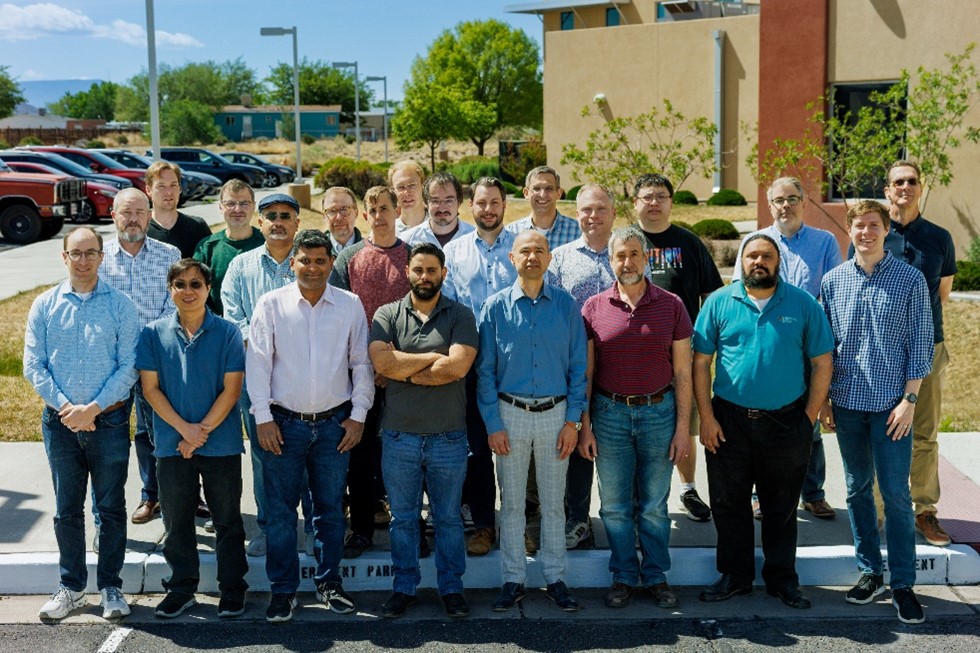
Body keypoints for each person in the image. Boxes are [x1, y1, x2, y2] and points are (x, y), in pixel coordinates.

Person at [692, 234, 832, 610]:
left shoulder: (802, 304)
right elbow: (701, 362)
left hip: (787, 422)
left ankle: (782, 579)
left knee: (781, 507)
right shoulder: (721, 302)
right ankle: (735, 577)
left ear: (778, 262)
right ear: (741, 261)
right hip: (728, 421)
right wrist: (706, 417)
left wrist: (809, 416)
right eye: (752, 255)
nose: (759, 262)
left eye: (766, 256)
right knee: (728, 503)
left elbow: (822, 362)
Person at [246, 229, 374, 623]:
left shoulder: (350, 305)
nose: (313, 267)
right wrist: (263, 419)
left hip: (335, 425)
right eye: (306, 260)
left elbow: (361, 364)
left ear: (331, 263)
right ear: (292, 264)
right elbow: (258, 364)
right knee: (282, 514)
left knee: (330, 511)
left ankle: (329, 582)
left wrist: (359, 415)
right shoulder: (271, 304)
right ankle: (283, 591)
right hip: (283, 425)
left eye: (321, 260)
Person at [820, 200, 933, 625]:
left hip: (892, 409)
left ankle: (903, 584)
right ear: (848, 231)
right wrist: (826, 400)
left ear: (887, 231)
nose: (866, 232)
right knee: (855, 491)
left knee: (898, 496)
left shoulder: (910, 280)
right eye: (859, 226)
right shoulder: (833, 282)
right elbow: (825, 349)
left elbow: (921, 344)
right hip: (847, 406)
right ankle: (871, 573)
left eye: (873, 225)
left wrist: (910, 400)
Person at [25, 227, 139, 621]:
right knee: (66, 509)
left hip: (108, 422)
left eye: (92, 252)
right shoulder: (44, 304)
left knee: (109, 508)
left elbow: (129, 367)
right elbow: (33, 365)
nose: (84, 260)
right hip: (59, 425)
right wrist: (68, 409)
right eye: (77, 253)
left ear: (101, 257)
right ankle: (71, 587)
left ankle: (111, 586)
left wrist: (92, 408)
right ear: (64, 257)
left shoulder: (121, 306)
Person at [579, 226, 693, 610]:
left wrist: (682, 429)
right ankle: (624, 574)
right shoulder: (594, 307)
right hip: (609, 415)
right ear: (610, 261)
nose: (626, 262)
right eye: (619, 256)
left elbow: (683, 373)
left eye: (633, 254)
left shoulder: (672, 305)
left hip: (658, 414)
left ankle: (657, 573)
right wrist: (585, 426)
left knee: (654, 504)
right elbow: (587, 374)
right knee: (613, 504)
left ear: (647, 258)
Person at [477, 231, 588, 613]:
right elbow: (485, 371)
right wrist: (493, 423)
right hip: (510, 414)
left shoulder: (566, 306)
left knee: (555, 504)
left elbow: (578, 367)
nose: (532, 256)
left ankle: (555, 578)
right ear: (512, 258)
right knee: (511, 504)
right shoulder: (494, 308)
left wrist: (572, 421)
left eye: (540, 250)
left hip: (556, 416)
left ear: (549, 258)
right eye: (525, 250)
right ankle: (513, 579)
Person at [370, 243, 479, 619]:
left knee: (448, 518)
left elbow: (458, 368)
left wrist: (404, 368)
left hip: (448, 436)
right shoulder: (387, 314)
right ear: (407, 272)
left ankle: (452, 588)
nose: (424, 277)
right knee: (403, 519)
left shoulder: (460, 314)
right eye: (418, 270)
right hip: (399, 436)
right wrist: (435, 357)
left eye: (432, 270)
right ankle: (404, 587)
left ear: (443, 273)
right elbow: (382, 362)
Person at [137, 259, 249, 619]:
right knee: (177, 520)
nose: (188, 291)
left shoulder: (228, 333)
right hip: (172, 444)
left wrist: (198, 433)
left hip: (222, 444)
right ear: (170, 290)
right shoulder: (152, 334)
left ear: (208, 289)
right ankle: (182, 587)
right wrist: (184, 431)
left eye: (196, 284)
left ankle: (233, 589)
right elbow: (150, 389)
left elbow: (231, 391)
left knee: (228, 519)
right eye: (180, 284)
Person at [733, 176, 843, 520]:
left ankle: (813, 493)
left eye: (792, 199)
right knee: (760, 421)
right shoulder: (755, 241)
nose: (786, 206)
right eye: (779, 200)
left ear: (804, 201)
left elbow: (834, 292)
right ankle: (758, 494)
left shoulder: (824, 242)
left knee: (807, 421)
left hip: (807, 343)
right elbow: (741, 289)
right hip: (765, 343)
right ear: (770, 205)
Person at [221, 192, 313, 558]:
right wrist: (265, 351)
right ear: (260, 223)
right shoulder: (241, 267)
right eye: (271, 215)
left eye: (286, 215)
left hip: (305, 377)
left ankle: (311, 528)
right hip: (255, 378)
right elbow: (233, 318)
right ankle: (268, 527)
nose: (278, 221)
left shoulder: (311, 263)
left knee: (306, 453)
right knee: (263, 453)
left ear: (296, 223)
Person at [329, 186, 413, 559]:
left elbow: (421, 314)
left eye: (385, 208)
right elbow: (338, 316)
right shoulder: (349, 258)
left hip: (405, 374)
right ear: (364, 215)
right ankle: (361, 527)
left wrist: (394, 363)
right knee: (360, 455)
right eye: (373, 209)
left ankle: (409, 527)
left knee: (405, 454)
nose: (379, 215)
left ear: (397, 211)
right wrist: (370, 364)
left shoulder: (412, 256)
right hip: (359, 373)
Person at [633, 173, 722, 523]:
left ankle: (687, 488)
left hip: (683, 353)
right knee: (637, 425)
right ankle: (640, 495)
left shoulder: (689, 242)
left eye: (661, 196)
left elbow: (710, 296)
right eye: (647, 197)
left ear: (671, 201)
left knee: (685, 422)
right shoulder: (624, 242)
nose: (654, 203)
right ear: (635, 203)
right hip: (635, 356)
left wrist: (704, 342)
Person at [883, 160, 957, 547]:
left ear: (920, 187)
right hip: (884, 351)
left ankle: (925, 511)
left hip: (930, 347)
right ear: (887, 190)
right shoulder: (875, 233)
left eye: (912, 181)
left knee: (925, 433)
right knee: (881, 429)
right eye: (899, 181)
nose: (906, 187)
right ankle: (878, 514)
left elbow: (941, 294)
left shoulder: (939, 237)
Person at [442, 177, 517, 557]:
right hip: (471, 366)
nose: (488, 210)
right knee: (479, 448)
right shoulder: (454, 252)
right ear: (470, 207)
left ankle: (520, 525)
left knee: (517, 448)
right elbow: (451, 311)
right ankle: (485, 525)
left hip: (515, 367)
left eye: (494, 203)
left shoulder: (521, 248)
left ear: (505, 205)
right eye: (481, 203)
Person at [99, 188, 180, 526]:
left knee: (156, 432)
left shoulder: (168, 253)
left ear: (149, 215)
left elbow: (173, 304)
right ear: (113, 215)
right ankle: (109, 509)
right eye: (125, 212)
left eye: (139, 212)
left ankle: (158, 497)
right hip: (111, 365)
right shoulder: (99, 257)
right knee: (113, 437)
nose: (133, 219)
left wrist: (145, 349)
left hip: (154, 360)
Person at [547, 183, 616, 550]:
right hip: (573, 366)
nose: (593, 216)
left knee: (616, 445)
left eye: (600, 209)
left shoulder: (629, 252)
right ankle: (577, 519)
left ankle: (622, 519)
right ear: (577, 214)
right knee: (576, 441)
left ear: (613, 213)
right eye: (586, 210)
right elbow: (553, 313)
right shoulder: (559, 258)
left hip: (620, 366)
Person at [193, 179, 264, 315]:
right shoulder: (207, 248)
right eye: (230, 204)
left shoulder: (267, 243)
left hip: (261, 327)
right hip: (219, 328)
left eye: (244, 203)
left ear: (253, 206)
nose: (237, 209)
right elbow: (195, 291)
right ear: (220, 207)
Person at [145, 161, 212, 258]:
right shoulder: (140, 231)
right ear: (148, 190)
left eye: (173, 185)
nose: (168, 192)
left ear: (180, 188)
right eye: (161, 186)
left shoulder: (197, 227)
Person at [505, 165, 581, 249]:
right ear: (526, 193)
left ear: (559, 193)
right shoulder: (511, 233)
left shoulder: (578, 232)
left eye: (549, 188)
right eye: (536, 188)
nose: (542, 195)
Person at [402, 171, 474, 249]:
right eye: (435, 201)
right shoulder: (407, 241)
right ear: (426, 203)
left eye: (448, 200)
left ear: (459, 203)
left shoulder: (475, 238)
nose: (442, 208)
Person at [322, 186, 364, 255]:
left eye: (344, 209)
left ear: (356, 213)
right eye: (332, 211)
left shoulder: (371, 251)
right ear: (324, 216)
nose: (339, 217)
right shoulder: (314, 253)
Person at [388, 160, 426, 234]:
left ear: (423, 186)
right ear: (393, 191)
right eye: (400, 187)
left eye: (412, 185)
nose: (406, 193)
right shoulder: (388, 232)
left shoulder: (440, 226)